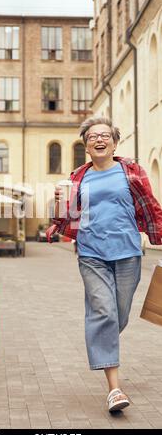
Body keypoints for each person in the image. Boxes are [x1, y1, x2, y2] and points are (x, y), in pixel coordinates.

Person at [47, 117, 162, 412]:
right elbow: (66, 213)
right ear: (86, 146)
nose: (99, 140)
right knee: (104, 312)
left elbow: (150, 206)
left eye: (104, 135)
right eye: (92, 137)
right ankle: (115, 389)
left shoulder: (131, 172)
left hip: (127, 253)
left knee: (118, 315)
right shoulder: (77, 178)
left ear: (114, 142)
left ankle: (102, 340)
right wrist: (54, 223)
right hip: (91, 253)